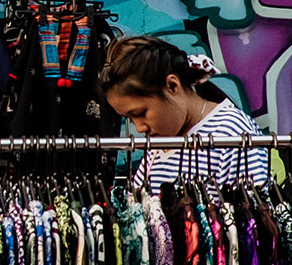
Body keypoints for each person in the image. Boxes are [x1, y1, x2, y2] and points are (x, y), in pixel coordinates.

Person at [99, 34, 269, 190]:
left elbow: (254, 216)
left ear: (172, 86)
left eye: (141, 113)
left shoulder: (231, 134)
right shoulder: (157, 146)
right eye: (129, 119)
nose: (140, 128)